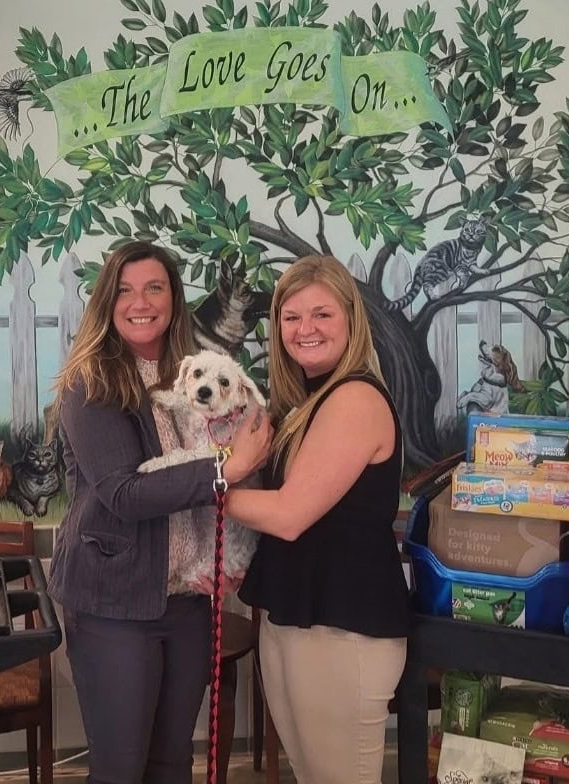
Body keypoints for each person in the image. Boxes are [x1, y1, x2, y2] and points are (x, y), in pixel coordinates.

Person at [47, 240, 272, 784]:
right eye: (124, 290)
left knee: (173, 764)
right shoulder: (91, 382)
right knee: (122, 768)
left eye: (154, 287)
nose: (140, 301)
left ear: (174, 298)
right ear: (106, 302)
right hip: (116, 605)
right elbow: (124, 494)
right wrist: (227, 469)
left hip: (188, 601)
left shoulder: (187, 375)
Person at [228, 255, 409, 784]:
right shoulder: (306, 399)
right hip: (297, 615)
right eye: (291, 317)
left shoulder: (353, 398)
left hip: (343, 627)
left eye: (322, 315)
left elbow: (287, 516)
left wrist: (194, 488)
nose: (305, 329)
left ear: (351, 320)